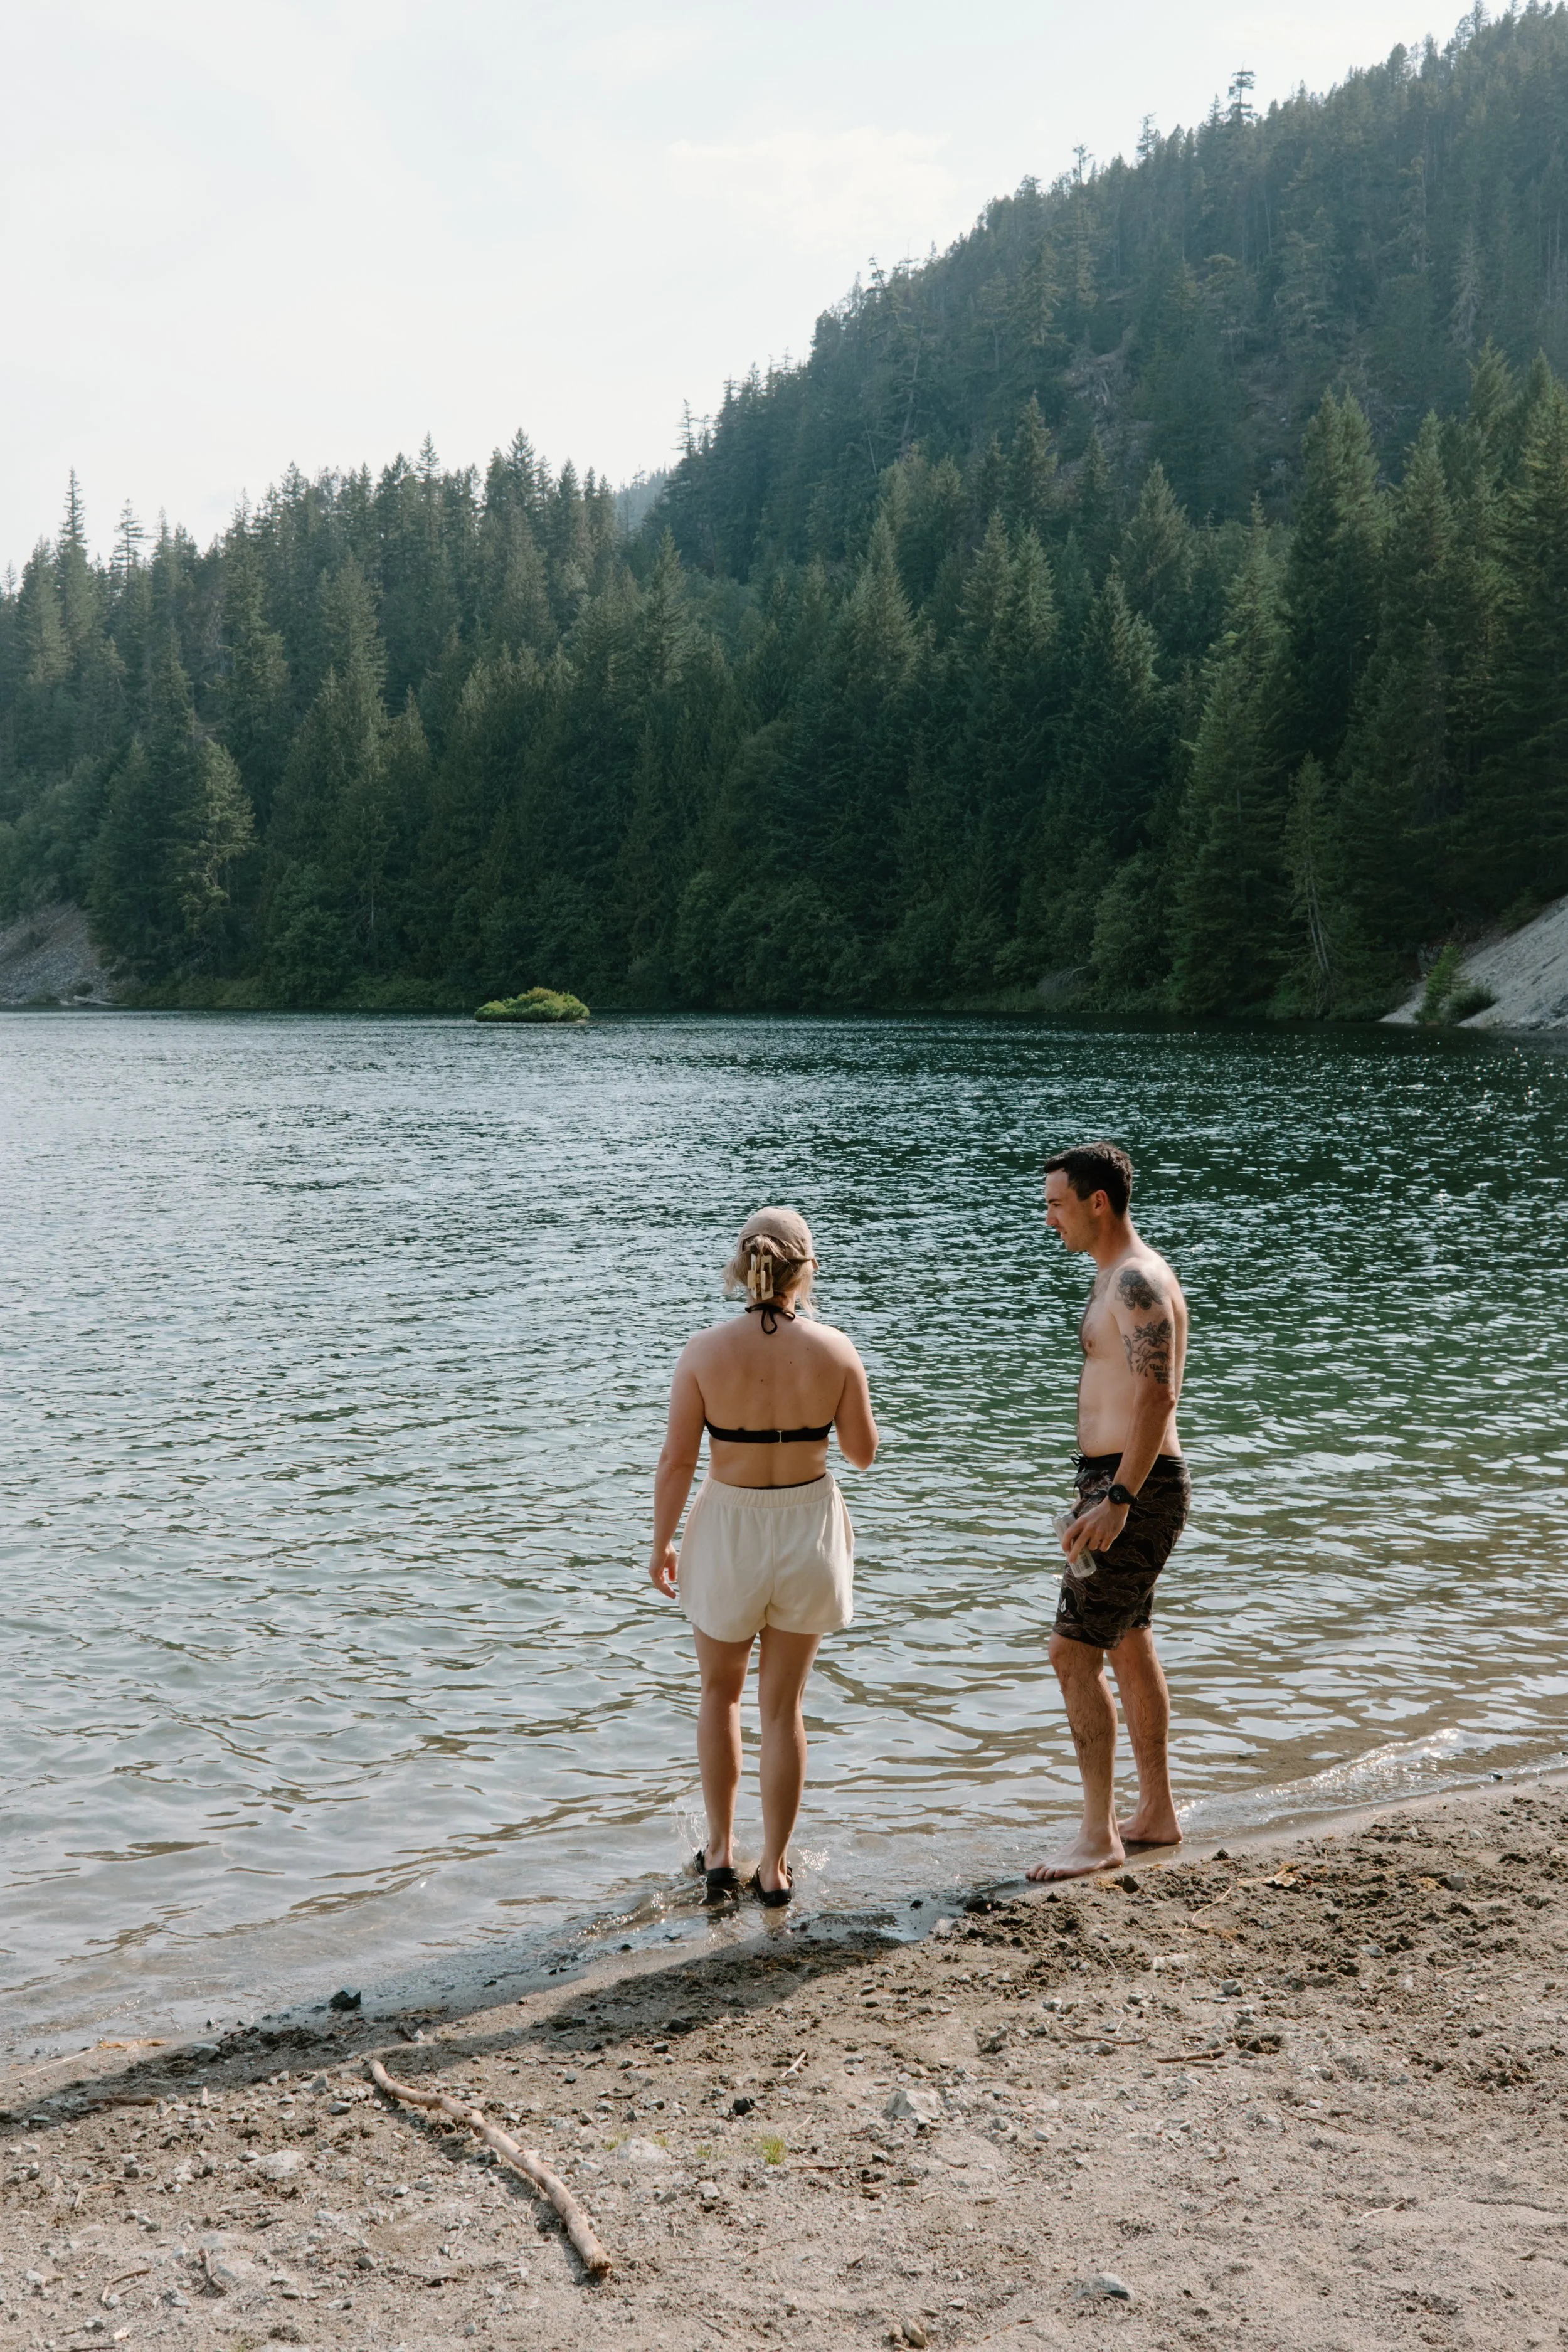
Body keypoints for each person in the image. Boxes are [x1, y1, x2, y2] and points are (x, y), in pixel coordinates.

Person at [649, 1208, 877, 1907]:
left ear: (741, 1266)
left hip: (727, 1526)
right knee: (784, 1709)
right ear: (804, 1270)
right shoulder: (837, 1350)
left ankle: (719, 1854)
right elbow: (863, 1455)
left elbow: (678, 1461)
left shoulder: (702, 1351)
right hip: (807, 1526)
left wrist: (660, 1543)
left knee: (720, 1694)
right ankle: (774, 1867)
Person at [1029, 1141, 1190, 1883]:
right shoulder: (1113, 1278)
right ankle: (1155, 1812)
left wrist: (1118, 1500)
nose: (1048, 1217)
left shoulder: (1133, 1282)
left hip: (1136, 1484)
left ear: (1099, 1202)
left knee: (1072, 1652)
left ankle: (1097, 1835)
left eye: (1057, 1203)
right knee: (1128, 1641)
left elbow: (1158, 1395)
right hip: (1118, 1480)